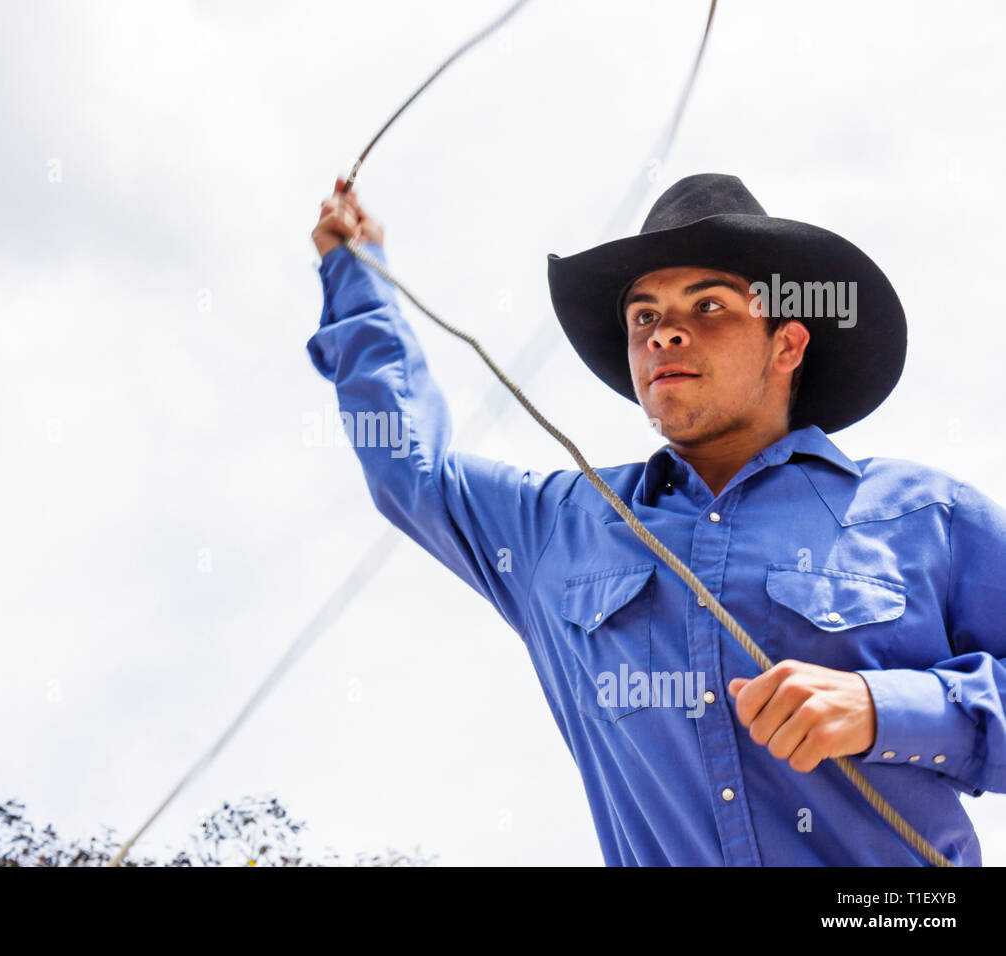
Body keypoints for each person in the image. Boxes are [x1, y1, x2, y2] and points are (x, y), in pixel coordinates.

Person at [306, 172, 1006, 865]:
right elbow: (409, 470)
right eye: (644, 315)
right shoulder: (561, 529)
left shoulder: (925, 517)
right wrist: (355, 276)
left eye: (708, 306)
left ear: (787, 344)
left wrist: (889, 709)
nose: (665, 333)